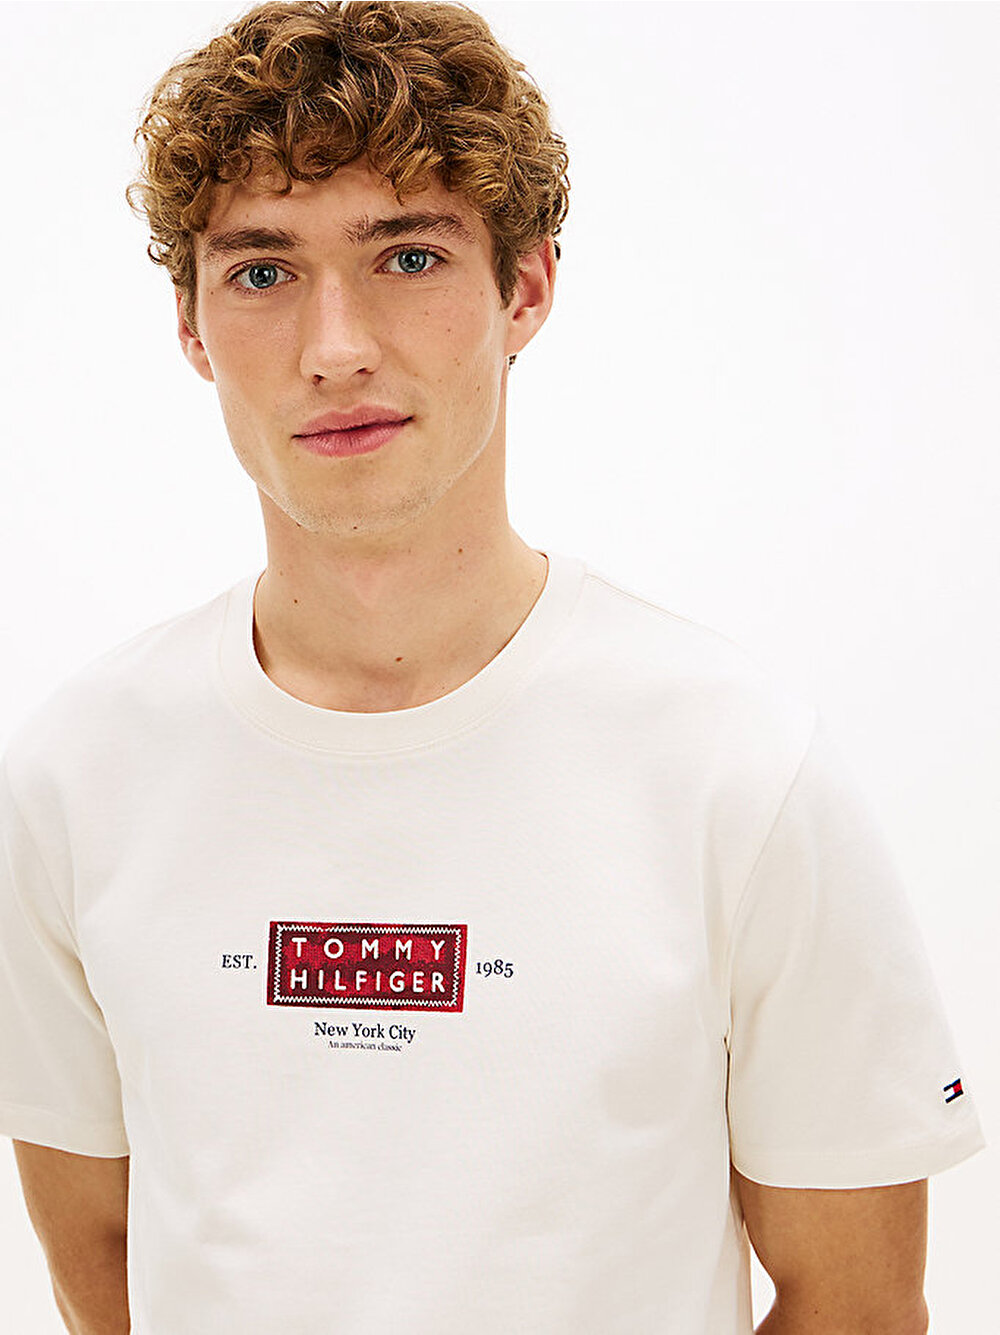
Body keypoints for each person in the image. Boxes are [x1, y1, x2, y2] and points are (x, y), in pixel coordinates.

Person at [0, 1, 984, 1331]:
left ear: (525, 289)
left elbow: (857, 1304)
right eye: (262, 272)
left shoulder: (738, 773)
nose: (336, 347)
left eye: (407, 256)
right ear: (190, 325)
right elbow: (104, 1264)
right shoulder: (76, 779)